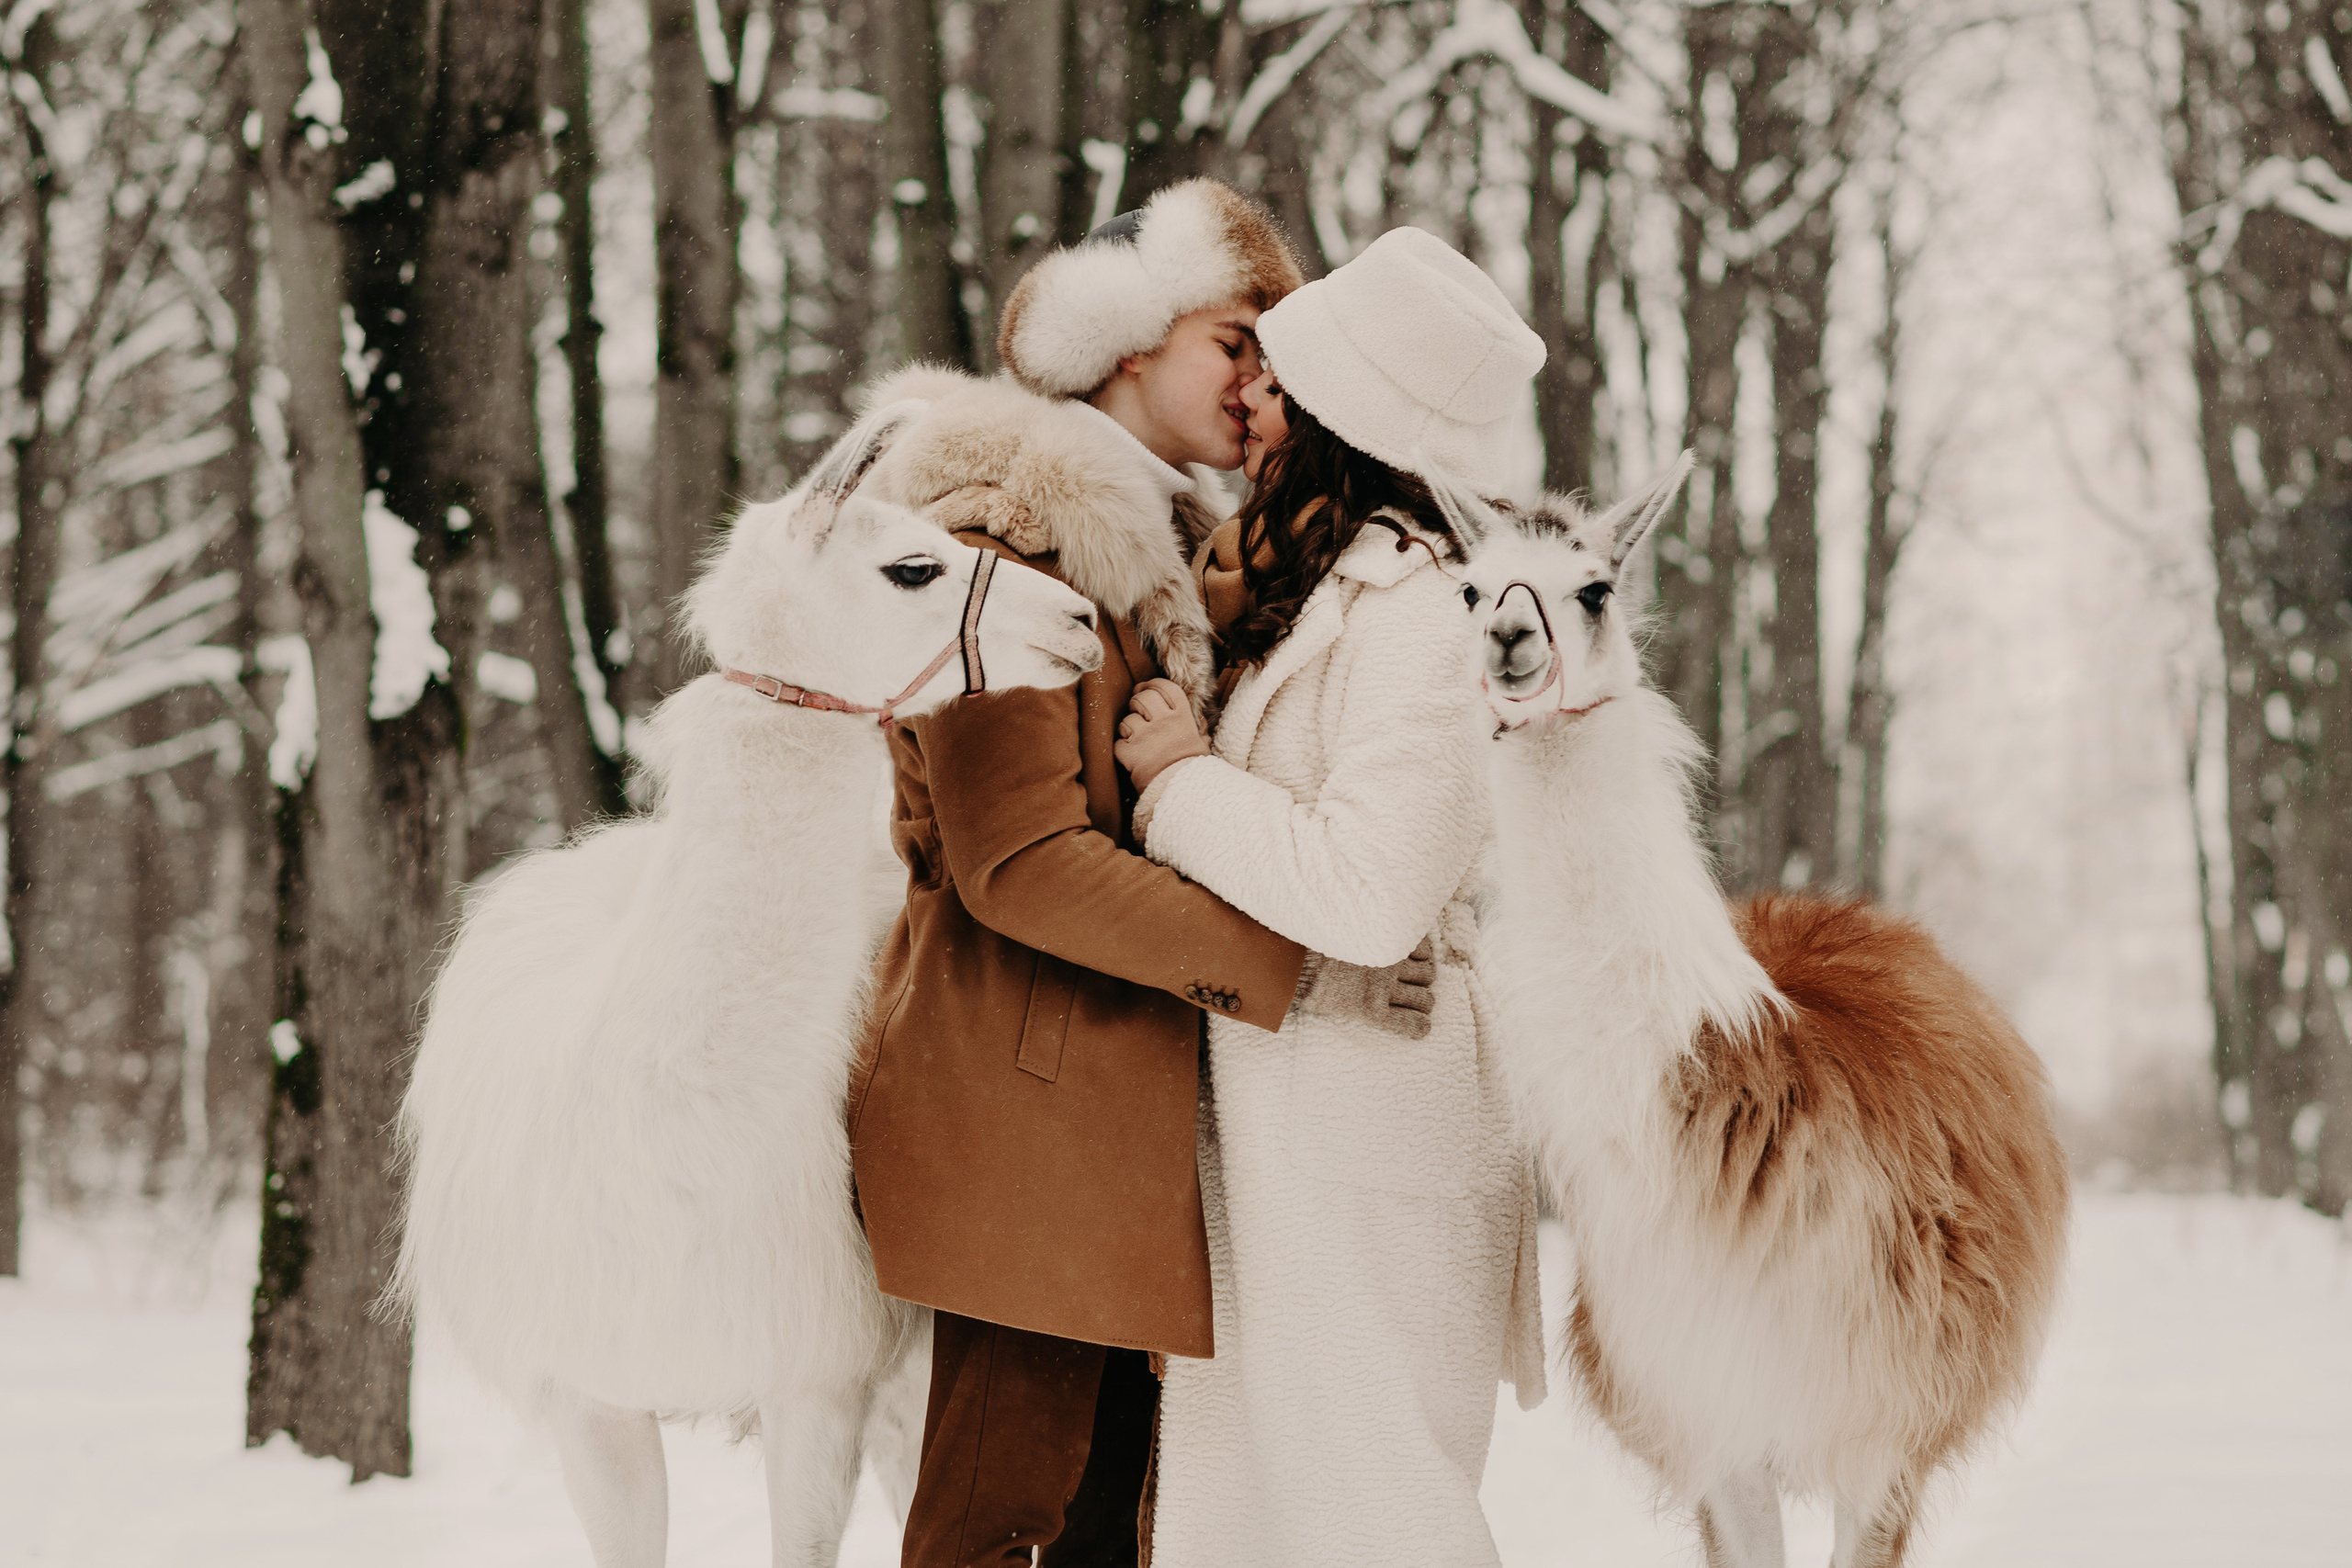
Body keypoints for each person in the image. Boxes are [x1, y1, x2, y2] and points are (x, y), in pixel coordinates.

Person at [846, 180, 1436, 1568]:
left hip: (1120, 1133)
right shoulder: (1001, 538)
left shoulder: (1168, 566)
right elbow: (1022, 862)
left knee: (1109, 1537)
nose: (1261, 379)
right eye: (1237, 339)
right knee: (999, 1530)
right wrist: (1300, 960)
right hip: (1025, 1121)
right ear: (1129, 337)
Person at [1112, 226, 1550, 1568]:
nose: (1246, 398)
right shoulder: (1304, 591)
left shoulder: (1426, 613)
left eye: (1280, 384)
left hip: (1373, 1129)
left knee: (1385, 1522)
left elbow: (1368, 890)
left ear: (1344, 422)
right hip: (1284, 1132)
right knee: (1255, 1527)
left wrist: (1179, 785)